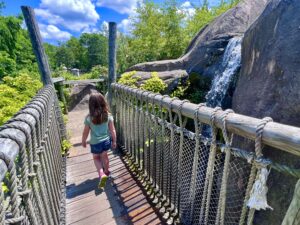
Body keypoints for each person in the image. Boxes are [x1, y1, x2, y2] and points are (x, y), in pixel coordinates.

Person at [81, 92, 117, 189]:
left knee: (96, 158)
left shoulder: (89, 118)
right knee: (105, 157)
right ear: (103, 103)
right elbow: (112, 130)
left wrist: (83, 141)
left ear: (90, 105)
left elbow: (85, 132)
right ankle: (107, 171)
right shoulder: (108, 116)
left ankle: (101, 173)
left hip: (95, 143)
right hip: (106, 141)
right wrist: (114, 141)